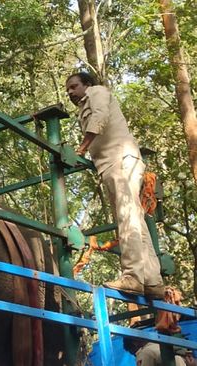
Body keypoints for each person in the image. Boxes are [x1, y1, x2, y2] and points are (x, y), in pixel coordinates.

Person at [65, 72, 165, 298]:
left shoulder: (98, 92)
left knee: (126, 216)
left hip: (120, 160)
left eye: (74, 87)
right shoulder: (84, 105)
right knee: (134, 219)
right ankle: (153, 281)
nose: (71, 92)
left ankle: (132, 277)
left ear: (87, 84)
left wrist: (81, 149)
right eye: (68, 90)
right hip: (111, 164)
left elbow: (99, 117)